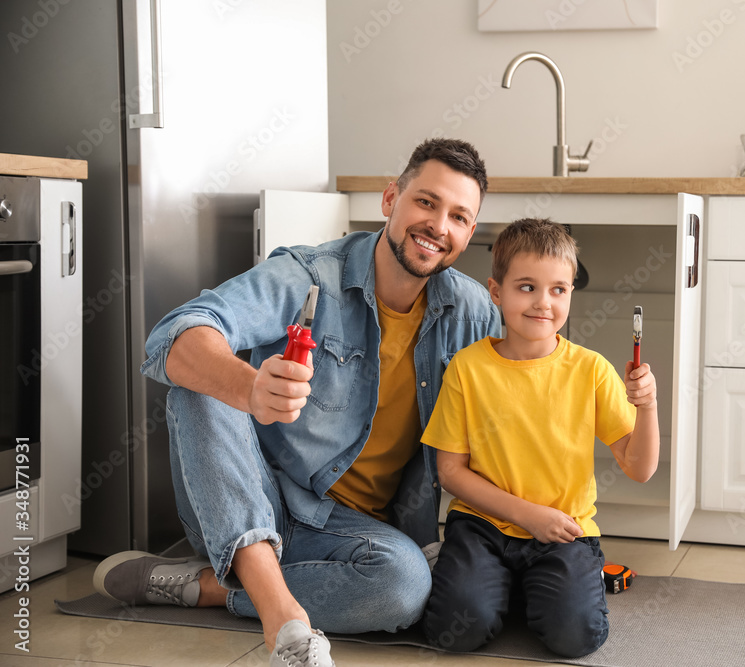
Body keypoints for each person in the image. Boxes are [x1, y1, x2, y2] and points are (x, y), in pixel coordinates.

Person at [92, 138, 500, 667]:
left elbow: (526, 390)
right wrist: (249, 388)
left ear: (469, 233)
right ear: (390, 199)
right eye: (425, 202)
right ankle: (286, 626)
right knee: (201, 388)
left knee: (406, 586)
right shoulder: (308, 275)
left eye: (458, 216)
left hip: (344, 531)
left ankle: (210, 587)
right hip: (240, 496)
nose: (438, 226)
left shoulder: (472, 313)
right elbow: (174, 334)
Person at [420, 218, 659, 658]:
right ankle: (495, 583)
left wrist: (648, 406)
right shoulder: (467, 369)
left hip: (564, 531)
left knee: (575, 638)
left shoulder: (592, 371)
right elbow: (450, 472)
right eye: (526, 287)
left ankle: (521, 588)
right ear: (496, 291)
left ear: (570, 292)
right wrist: (529, 516)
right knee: (455, 631)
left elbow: (640, 469)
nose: (543, 303)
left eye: (558, 290)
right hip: (482, 526)